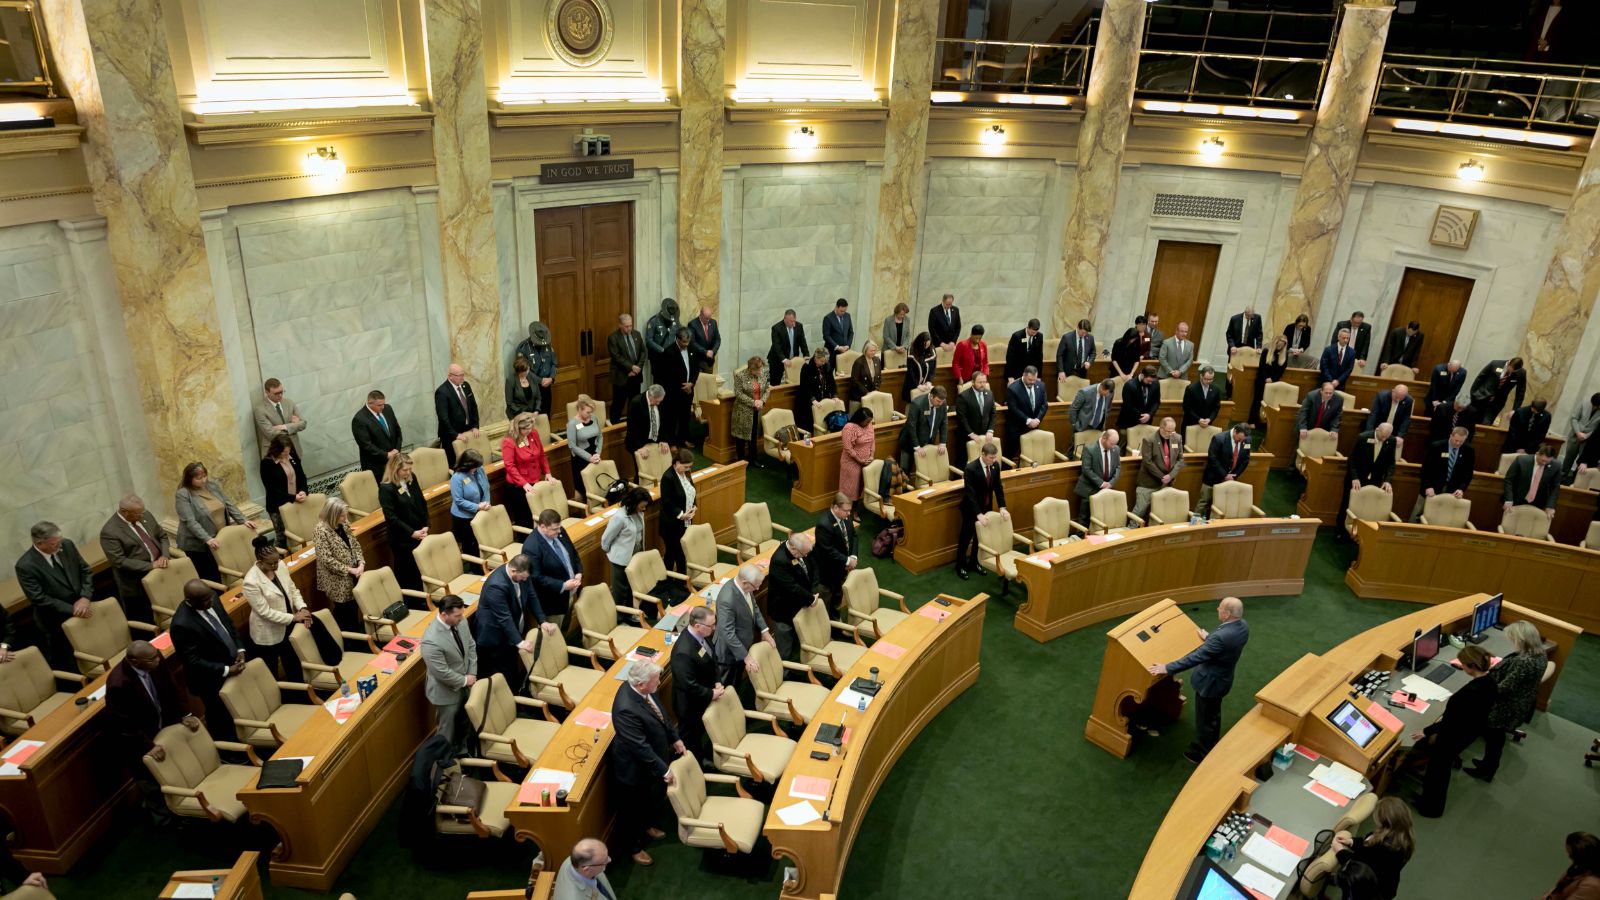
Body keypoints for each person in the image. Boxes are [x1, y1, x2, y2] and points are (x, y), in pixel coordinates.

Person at [105, 639, 198, 822]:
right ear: (134, 661)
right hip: (139, 738)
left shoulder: (154, 658)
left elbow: (173, 686)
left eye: (156, 656)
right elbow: (124, 724)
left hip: (162, 723)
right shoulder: (118, 684)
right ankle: (163, 819)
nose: (157, 661)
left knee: (173, 769)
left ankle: (183, 809)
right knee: (149, 780)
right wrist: (148, 746)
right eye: (151, 660)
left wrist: (185, 714)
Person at [1147, 596, 1249, 763]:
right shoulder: (1242, 626)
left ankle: (1203, 754)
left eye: (1220, 607)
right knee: (1213, 716)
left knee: (1205, 720)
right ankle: (1210, 744)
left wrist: (1167, 668)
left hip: (1210, 684)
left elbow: (1195, 658)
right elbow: (1226, 645)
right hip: (1223, 680)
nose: (1217, 609)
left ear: (1227, 614)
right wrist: (1210, 640)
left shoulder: (1221, 637)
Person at [608, 661, 682, 866]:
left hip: (651, 762)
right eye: (655, 680)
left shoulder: (645, 690)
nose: (659, 681)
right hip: (633, 769)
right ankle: (634, 848)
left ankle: (647, 826)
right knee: (631, 811)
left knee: (648, 801)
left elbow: (662, 715)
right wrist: (664, 770)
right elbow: (639, 747)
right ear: (641, 684)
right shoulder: (626, 708)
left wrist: (675, 738)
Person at [1410, 645, 1495, 817]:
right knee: (1441, 769)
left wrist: (1427, 731)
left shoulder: (1470, 693)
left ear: (1471, 666)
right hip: (1469, 732)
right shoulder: (1490, 682)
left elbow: (1450, 722)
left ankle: (1431, 808)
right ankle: (1428, 800)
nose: (1461, 666)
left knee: (1438, 770)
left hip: (1453, 736)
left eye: (1463, 663)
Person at [1468, 619, 1548, 782]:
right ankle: (1488, 764)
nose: (1510, 641)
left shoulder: (1523, 662)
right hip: (1521, 702)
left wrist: (1480, 677)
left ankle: (1487, 770)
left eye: (1512, 638)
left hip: (1504, 707)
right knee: (1496, 738)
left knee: (1494, 738)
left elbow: (1502, 689)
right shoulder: (1540, 654)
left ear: (1521, 639)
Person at [168, 579, 246, 742]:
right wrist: (226, 670)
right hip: (210, 679)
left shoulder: (212, 598)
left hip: (232, 663)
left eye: (210, 597)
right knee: (220, 715)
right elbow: (192, 660)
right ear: (190, 601)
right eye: (205, 601)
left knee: (239, 704)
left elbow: (227, 623)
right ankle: (227, 748)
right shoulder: (181, 624)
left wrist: (240, 648)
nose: (210, 602)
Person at [22, 521, 101, 669]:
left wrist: (85, 598)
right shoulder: (26, 565)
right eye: (54, 544)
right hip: (56, 620)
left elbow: (85, 570)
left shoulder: (67, 544)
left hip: (85, 607)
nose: (60, 546)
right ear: (39, 544)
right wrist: (74, 609)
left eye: (60, 541)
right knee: (70, 661)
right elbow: (39, 598)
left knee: (96, 648)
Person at [475, 554, 554, 688]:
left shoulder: (523, 574)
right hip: (494, 637)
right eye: (523, 577)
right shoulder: (496, 585)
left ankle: (513, 693)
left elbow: (532, 596)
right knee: (497, 676)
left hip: (510, 633)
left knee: (511, 670)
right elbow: (504, 617)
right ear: (513, 571)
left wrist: (542, 621)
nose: (525, 580)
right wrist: (519, 642)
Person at [241, 535, 309, 681]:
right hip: (268, 632)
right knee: (271, 673)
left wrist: (302, 607)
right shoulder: (251, 582)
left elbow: (292, 589)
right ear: (260, 562)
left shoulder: (280, 565)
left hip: (288, 624)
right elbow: (265, 612)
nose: (276, 566)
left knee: (293, 662)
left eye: (277, 561)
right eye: (271, 564)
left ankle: (299, 690)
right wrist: (294, 617)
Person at [175, 461, 253, 585]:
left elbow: (228, 504)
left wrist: (243, 520)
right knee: (212, 575)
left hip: (219, 537)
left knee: (227, 570)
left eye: (204, 476)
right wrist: (207, 538)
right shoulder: (183, 494)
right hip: (198, 545)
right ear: (189, 479)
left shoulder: (212, 486)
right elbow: (190, 521)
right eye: (198, 478)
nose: (203, 480)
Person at [99, 494, 171, 625]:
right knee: (145, 620)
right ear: (124, 511)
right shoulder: (110, 532)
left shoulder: (145, 515)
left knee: (168, 608)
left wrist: (164, 555)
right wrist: (151, 566)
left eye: (142, 511)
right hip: (136, 583)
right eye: (138, 513)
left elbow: (162, 536)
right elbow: (119, 561)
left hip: (161, 573)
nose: (142, 515)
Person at [420, 594, 476, 755]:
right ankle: (444, 763)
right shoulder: (431, 640)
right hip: (445, 692)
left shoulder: (460, 621)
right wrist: (465, 680)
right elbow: (441, 672)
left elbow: (471, 646)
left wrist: (472, 673)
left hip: (466, 683)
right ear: (444, 614)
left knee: (464, 722)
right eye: (457, 615)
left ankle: (462, 752)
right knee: (447, 732)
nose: (462, 618)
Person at [1331, 796, 1414, 900]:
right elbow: (1367, 843)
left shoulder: (1382, 849)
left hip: (1366, 890)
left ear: (1385, 823)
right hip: (1386, 885)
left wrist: (1339, 851)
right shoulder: (1403, 838)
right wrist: (1352, 842)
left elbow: (1355, 866)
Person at [670, 606, 721, 766]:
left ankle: (701, 757)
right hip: (689, 705)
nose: (714, 628)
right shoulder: (683, 652)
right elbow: (688, 684)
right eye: (711, 625)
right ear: (698, 625)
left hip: (702, 695)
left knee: (700, 732)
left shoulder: (702, 635)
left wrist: (717, 681)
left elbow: (712, 658)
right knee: (690, 737)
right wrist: (711, 694)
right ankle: (692, 767)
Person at [523, 509, 584, 629]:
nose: (559, 531)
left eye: (559, 527)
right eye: (555, 529)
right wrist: (563, 586)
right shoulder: (531, 547)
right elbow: (536, 578)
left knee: (565, 628)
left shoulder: (560, 532)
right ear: (543, 527)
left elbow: (573, 553)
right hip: (553, 603)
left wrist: (579, 572)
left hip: (570, 594)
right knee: (555, 635)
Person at [714, 565, 773, 690]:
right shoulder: (727, 599)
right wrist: (746, 656)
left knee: (737, 682)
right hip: (729, 654)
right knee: (727, 688)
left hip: (741, 648)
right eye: (755, 586)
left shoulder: (745, 587)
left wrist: (765, 631)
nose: (757, 589)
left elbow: (754, 608)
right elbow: (727, 633)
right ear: (745, 582)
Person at [312, 498, 365, 632]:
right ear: (332, 514)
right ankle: (345, 637)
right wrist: (350, 570)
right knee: (344, 611)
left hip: (354, 572)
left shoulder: (343, 523)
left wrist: (361, 562)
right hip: (337, 579)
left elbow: (354, 544)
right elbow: (326, 559)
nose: (345, 518)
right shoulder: (320, 531)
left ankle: (356, 634)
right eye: (342, 515)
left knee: (354, 606)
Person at [378, 453, 429, 593]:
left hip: (420, 532)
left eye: (410, 469)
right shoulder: (386, 488)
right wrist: (411, 533)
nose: (408, 472)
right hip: (403, 539)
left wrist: (426, 524)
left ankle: (424, 597)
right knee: (408, 573)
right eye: (405, 470)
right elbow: (391, 518)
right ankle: (412, 600)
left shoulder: (412, 478)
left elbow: (422, 502)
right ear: (395, 469)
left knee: (421, 569)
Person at [1338, 423, 1399, 538]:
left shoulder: (1391, 441)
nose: (1384, 439)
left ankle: (1362, 533)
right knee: (1347, 504)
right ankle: (1340, 532)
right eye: (1382, 436)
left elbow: (1391, 463)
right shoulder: (1362, 437)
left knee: (1366, 506)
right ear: (1377, 429)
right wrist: (1354, 478)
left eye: (1386, 437)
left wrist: (1387, 480)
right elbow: (1352, 460)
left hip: (1375, 479)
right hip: (1356, 478)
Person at [955, 444, 1006, 582]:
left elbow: (998, 487)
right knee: (966, 537)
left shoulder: (995, 466)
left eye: (995, 457)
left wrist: (1002, 507)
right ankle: (960, 565)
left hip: (986, 507)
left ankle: (974, 562)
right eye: (991, 457)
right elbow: (970, 494)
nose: (994, 460)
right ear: (983, 454)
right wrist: (978, 514)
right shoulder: (970, 468)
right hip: (970, 509)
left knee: (979, 537)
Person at [766, 534, 817, 662]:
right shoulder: (779, 560)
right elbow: (791, 587)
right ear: (793, 548)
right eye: (804, 553)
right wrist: (811, 598)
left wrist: (814, 590)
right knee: (785, 644)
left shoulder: (802, 550)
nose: (806, 556)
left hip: (798, 602)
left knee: (796, 638)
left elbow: (813, 567)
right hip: (783, 609)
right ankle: (784, 670)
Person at [1410, 427, 1475, 522]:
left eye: (1461, 441)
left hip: (1452, 490)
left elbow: (1468, 473)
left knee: (1442, 516)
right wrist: (1428, 486)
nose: (1458, 443)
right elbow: (1425, 469)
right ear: (1451, 436)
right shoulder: (1437, 446)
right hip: (1431, 487)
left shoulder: (1469, 451)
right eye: (1456, 440)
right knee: (1418, 513)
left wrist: (1461, 489)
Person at [501, 412, 553, 529]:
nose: (529, 431)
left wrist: (547, 472)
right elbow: (509, 466)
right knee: (524, 517)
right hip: (518, 486)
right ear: (518, 428)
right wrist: (524, 483)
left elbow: (541, 454)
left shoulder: (533, 433)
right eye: (526, 429)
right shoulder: (509, 441)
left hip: (535, 480)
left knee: (538, 512)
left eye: (530, 428)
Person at [601, 489, 650, 612]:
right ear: (634, 503)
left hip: (635, 556)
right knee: (620, 590)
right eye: (642, 506)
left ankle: (629, 613)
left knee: (631, 586)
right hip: (621, 559)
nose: (644, 509)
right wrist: (612, 553)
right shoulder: (620, 517)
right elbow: (606, 539)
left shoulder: (639, 512)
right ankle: (619, 616)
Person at [259, 433, 308, 551]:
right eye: (284, 452)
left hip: (295, 502)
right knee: (282, 536)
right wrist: (292, 497)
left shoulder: (292, 456)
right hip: (277, 505)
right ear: (276, 450)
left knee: (297, 531)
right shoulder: (267, 463)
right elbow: (272, 489)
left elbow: (301, 476)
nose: (287, 454)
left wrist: (303, 491)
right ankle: (278, 558)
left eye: (288, 451)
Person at [814, 493, 858, 617]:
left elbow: (854, 536)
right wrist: (847, 561)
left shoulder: (846, 517)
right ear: (835, 508)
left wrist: (853, 556)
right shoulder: (824, 524)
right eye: (846, 510)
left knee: (838, 597)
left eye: (850, 510)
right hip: (828, 572)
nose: (849, 514)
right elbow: (827, 550)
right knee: (825, 602)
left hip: (841, 568)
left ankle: (836, 620)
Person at [1134, 418, 1184, 521]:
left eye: (1173, 431)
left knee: (1161, 512)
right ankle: (1131, 528)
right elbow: (1147, 462)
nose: (1171, 434)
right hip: (1149, 482)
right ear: (1161, 428)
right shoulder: (1149, 439)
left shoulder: (1177, 438)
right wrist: (1162, 477)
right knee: (1140, 511)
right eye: (1168, 431)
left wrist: (1170, 476)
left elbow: (1180, 460)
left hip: (1167, 483)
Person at [1197, 424, 1252, 520]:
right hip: (1213, 477)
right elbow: (1212, 458)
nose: (1240, 441)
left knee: (1221, 505)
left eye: (1242, 440)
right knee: (1204, 503)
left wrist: (1234, 476)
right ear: (1235, 431)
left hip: (1230, 479)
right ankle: (1195, 524)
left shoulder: (1247, 440)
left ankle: (1215, 525)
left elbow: (1245, 460)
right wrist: (1225, 475)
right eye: (1239, 439)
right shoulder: (1219, 439)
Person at [435, 363, 481, 469]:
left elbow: (473, 407)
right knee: (456, 464)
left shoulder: (466, 386)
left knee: (470, 462)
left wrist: (475, 425)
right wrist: (455, 435)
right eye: (459, 375)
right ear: (450, 376)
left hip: (467, 431)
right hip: (451, 436)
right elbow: (443, 418)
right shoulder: (442, 392)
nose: (463, 378)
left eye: (463, 374)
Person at [658, 449, 697, 575]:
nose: (688, 469)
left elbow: (691, 491)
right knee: (673, 553)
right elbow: (667, 502)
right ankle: (672, 580)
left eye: (689, 467)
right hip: (671, 524)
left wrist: (694, 506)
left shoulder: (686, 473)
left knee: (680, 552)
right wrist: (681, 514)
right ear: (677, 463)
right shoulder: (668, 477)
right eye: (686, 467)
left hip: (685, 522)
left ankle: (679, 580)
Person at [660, 327, 700, 445]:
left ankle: (683, 439)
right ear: (677, 339)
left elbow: (696, 369)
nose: (686, 344)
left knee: (685, 416)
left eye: (688, 341)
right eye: (684, 342)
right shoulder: (669, 352)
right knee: (672, 418)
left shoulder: (692, 348)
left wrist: (691, 383)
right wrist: (683, 387)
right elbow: (666, 376)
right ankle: (672, 443)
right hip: (674, 392)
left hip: (689, 390)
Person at [448, 449, 490, 562]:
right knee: (470, 545)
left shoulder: (479, 469)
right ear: (467, 464)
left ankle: (484, 563)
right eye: (474, 466)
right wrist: (477, 507)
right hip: (463, 518)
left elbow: (486, 487)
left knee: (481, 541)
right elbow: (459, 500)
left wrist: (486, 503)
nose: (476, 468)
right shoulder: (457, 477)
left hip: (480, 512)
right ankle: (475, 567)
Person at [352, 389, 403, 480]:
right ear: (370, 403)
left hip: (395, 461)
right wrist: (386, 455)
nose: (383, 407)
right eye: (379, 405)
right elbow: (366, 445)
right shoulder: (359, 419)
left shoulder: (388, 409)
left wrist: (397, 450)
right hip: (377, 467)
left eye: (383, 404)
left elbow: (397, 430)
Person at [1074, 429, 1122, 527]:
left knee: (1104, 517)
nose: (1113, 446)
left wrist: (1111, 483)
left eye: (1115, 444)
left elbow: (1118, 467)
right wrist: (1101, 483)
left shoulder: (1116, 449)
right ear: (1104, 438)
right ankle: (1081, 535)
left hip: (1107, 489)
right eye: (1111, 444)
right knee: (1084, 518)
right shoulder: (1089, 449)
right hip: (1089, 488)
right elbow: (1086, 470)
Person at [1502, 445, 1561, 520]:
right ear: (1537, 454)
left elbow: (1555, 487)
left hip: (1538, 502)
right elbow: (1509, 480)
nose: (1544, 463)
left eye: (1547, 461)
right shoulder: (1521, 460)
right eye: (1542, 460)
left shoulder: (1556, 465)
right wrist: (1508, 499)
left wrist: (1550, 506)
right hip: (1516, 498)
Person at [953, 371, 997, 471]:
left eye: (984, 382)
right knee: (963, 463)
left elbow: (993, 413)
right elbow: (962, 418)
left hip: (984, 435)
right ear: (972, 382)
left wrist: (990, 430)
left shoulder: (989, 394)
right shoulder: (963, 396)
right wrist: (971, 433)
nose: (982, 385)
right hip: (966, 436)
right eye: (980, 382)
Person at [898, 385, 948, 472]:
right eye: (938, 401)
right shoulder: (917, 404)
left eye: (942, 401)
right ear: (931, 396)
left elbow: (944, 422)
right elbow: (911, 426)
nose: (940, 404)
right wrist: (917, 446)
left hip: (928, 442)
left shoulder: (942, 403)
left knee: (926, 471)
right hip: (910, 443)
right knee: (905, 471)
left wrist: (942, 442)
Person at [253, 377, 306, 458]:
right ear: (267, 392)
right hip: (275, 453)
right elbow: (270, 434)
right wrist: (294, 426)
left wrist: (284, 427)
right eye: (276, 393)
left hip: (294, 449)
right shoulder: (260, 410)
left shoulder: (289, 403)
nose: (280, 395)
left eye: (281, 392)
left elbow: (303, 423)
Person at [608, 313, 648, 422]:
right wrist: (631, 367)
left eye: (630, 325)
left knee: (634, 402)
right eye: (626, 326)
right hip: (621, 377)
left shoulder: (636, 334)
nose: (629, 328)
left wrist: (638, 367)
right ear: (620, 325)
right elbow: (616, 357)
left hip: (636, 376)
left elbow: (643, 352)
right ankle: (615, 427)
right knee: (618, 403)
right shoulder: (613, 338)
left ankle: (633, 424)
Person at [1005, 366, 1049, 461]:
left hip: (1034, 426)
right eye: (1030, 380)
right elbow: (1013, 409)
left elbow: (1044, 405)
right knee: (1010, 454)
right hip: (1017, 428)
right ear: (1024, 375)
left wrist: (1037, 419)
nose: (1032, 382)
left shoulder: (1041, 385)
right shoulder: (1013, 388)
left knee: (1032, 454)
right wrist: (1028, 420)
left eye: (1034, 380)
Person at [1541, 832, 1600, 900]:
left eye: (1571, 855)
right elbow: (1557, 891)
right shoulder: (1577, 869)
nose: (1569, 857)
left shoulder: (1591, 885)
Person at [566, 399, 604, 504]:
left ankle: (595, 508)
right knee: (582, 488)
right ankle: (584, 511)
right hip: (580, 459)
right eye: (587, 412)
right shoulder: (572, 424)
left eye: (591, 412)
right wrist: (589, 457)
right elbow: (572, 446)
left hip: (595, 456)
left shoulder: (594, 418)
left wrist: (598, 453)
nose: (590, 414)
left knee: (595, 485)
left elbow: (600, 436)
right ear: (579, 409)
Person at [516, 323, 559, 415]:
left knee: (546, 416)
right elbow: (523, 370)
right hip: (531, 388)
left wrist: (551, 378)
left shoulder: (547, 345)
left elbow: (554, 364)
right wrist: (540, 380)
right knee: (533, 417)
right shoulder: (523, 348)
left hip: (546, 387)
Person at [838, 407, 876, 510]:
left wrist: (871, 456)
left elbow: (872, 441)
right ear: (859, 419)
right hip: (851, 463)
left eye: (870, 421)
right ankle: (845, 510)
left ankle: (854, 509)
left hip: (866, 462)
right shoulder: (849, 427)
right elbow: (848, 448)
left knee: (860, 487)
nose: (868, 423)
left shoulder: (869, 425)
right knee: (850, 489)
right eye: (866, 421)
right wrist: (860, 460)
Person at [1470, 356, 1527, 425]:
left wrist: (1515, 410)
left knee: (1486, 424)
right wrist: (1473, 394)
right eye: (1511, 369)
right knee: (1471, 421)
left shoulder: (1521, 373)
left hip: (1496, 404)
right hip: (1480, 398)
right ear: (1509, 363)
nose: (1511, 372)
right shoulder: (1495, 364)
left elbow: (1520, 393)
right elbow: (1480, 378)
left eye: (1514, 371)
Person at [731, 357, 767, 463]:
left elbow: (767, 389)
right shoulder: (740, 376)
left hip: (757, 410)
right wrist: (753, 402)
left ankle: (753, 458)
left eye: (761, 369)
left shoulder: (762, 374)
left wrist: (762, 401)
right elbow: (738, 393)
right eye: (758, 370)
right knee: (741, 437)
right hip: (743, 411)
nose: (760, 371)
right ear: (751, 369)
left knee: (754, 435)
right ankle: (741, 461)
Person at [1069, 378, 1116, 458]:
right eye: (1106, 393)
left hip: (1099, 426)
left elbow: (1108, 407)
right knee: (1073, 449)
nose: (1107, 395)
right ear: (1102, 388)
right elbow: (1073, 409)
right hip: (1083, 425)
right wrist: (1074, 424)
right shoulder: (1085, 392)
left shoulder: (1110, 392)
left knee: (1095, 450)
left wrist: (1104, 419)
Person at [796, 347, 835, 434]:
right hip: (807, 400)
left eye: (825, 361)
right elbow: (805, 386)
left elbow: (831, 382)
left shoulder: (826, 365)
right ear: (816, 358)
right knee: (809, 426)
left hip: (821, 398)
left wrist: (834, 395)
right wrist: (812, 399)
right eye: (821, 361)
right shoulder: (807, 367)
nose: (823, 363)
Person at [625, 385, 673, 455]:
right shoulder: (636, 403)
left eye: (660, 401)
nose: (658, 404)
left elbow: (665, 421)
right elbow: (632, 428)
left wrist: (664, 440)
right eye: (657, 401)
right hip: (640, 443)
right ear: (651, 396)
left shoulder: (660, 401)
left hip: (656, 441)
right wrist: (639, 447)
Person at [1563, 392, 1600, 482]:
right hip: (1575, 436)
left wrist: (1586, 436)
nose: (1595, 408)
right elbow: (1574, 418)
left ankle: (1575, 480)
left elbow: (1598, 430)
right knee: (1568, 458)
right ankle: (1562, 476)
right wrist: (1578, 433)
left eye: (1597, 407)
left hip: (1588, 440)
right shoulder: (1583, 403)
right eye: (1594, 406)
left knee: (1582, 461)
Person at [766, 308, 809, 385]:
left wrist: (806, 355)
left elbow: (803, 342)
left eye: (794, 321)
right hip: (777, 360)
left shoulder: (799, 326)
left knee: (795, 381)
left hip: (792, 359)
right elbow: (776, 346)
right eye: (791, 321)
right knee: (775, 383)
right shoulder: (776, 328)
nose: (793, 323)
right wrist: (784, 359)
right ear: (785, 319)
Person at [1251, 337, 1289, 423]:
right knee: (1257, 400)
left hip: (1274, 382)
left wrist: (1272, 379)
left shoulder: (1284, 355)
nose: (1279, 348)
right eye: (1278, 345)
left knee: (1270, 402)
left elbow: (1281, 371)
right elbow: (1262, 367)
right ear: (1275, 343)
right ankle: (1252, 421)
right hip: (1261, 379)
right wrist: (1266, 378)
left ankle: (1265, 422)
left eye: (1282, 346)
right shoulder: (1266, 351)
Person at [1365, 384, 1414, 450]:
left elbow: (1406, 419)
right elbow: (1373, 414)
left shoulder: (1409, 400)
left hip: (1394, 431)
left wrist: (1400, 436)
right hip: (1378, 428)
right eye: (1396, 397)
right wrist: (1369, 432)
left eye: (1401, 398)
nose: (1398, 400)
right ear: (1393, 391)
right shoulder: (1381, 396)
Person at [644, 298, 681, 382]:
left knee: (670, 381)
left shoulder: (675, 320)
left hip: (671, 357)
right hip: (658, 357)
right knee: (659, 381)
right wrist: (662, 350)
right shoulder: (654, 321)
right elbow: (648, 340)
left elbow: (680, 333)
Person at [1116, 365, 1159, 429]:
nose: (1150, 383)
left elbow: (1156, 402)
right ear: (1142, 375)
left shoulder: (1155, 383)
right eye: (1148, 381)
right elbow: (1128, 405)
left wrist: (1149, 415)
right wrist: (1142, 416)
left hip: (1147, 422)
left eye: (1151, 381)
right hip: (1129, 422)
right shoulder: (1129, 385)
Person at [1004, 319, 1043, 387]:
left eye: (1035, 332)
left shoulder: (1039, 336)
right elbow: (1010, 357)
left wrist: (1039, 376)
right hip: (1017, 372)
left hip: (1031, 372)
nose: (1034, 334)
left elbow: (1039, 357)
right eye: (1032, 332)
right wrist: (1010, 376)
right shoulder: (1017, 336)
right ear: (1028, 327)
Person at [903, 332, 936, 403]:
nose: (926, 347)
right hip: (912, 383)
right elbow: (911, 370)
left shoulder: (932, 350)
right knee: (911, 405)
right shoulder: (912, 350)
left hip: (926, 385)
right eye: (924, 345)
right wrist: (917, 385)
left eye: (928, 345)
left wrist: (929, 381)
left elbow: (932, 369)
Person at [821, 298, 853, 369]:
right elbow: (826, 336)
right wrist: (837, 347)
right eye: (841, 311)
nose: (843, 313)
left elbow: (851, 332)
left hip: (844, 352)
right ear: (836, 307)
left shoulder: (847, 316)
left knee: (842, 372)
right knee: (828, 372)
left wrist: (848, 345)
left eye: (844, 311)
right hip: (832, 352)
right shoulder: (828, 318)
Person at [505, 357, 539, 422]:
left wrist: (536, 410)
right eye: (525, 370)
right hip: (517, 414)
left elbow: (538, 397)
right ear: (519, 371)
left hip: (532, 413)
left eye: (528, 369)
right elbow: (509, 403)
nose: (527, 372)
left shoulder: (531, 376)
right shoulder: (510, 380)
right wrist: (523, 413)